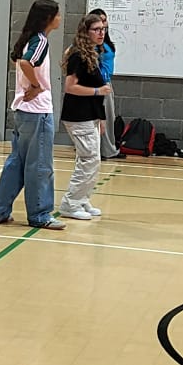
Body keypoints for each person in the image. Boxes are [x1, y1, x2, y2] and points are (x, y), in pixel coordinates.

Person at [0, 0, 66, 230]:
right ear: (48, 18)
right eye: (57, 14)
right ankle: (40, 215)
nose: (60, 18)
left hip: (24, 112)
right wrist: (36, 85)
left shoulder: (29, 39)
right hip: (38, 113)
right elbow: (25, 63)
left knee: (16, 164)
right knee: (40, 166)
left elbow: (20, 61)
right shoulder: (40, 41)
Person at [57, 12, 111, 220]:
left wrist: (101, 117)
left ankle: (81, 199)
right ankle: (70, 203)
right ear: (86, 32)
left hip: (91, 114)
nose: (101, 33)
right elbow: (70, 87)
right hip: (78, 115)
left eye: (103, 29)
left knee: (91, 160)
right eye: (96, 30)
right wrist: (98, 91)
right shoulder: (78, 55)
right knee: (89, 159)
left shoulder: (93, 53)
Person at [90, 7, 123, 159]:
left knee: (109, 117)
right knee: (100, 118)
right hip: (99, 85)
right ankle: (100, 150)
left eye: (105, 20)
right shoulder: (93, 43)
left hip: (107, 83)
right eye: (100, 21)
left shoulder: (106, 42)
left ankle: (108, 149)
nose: (104, 24)